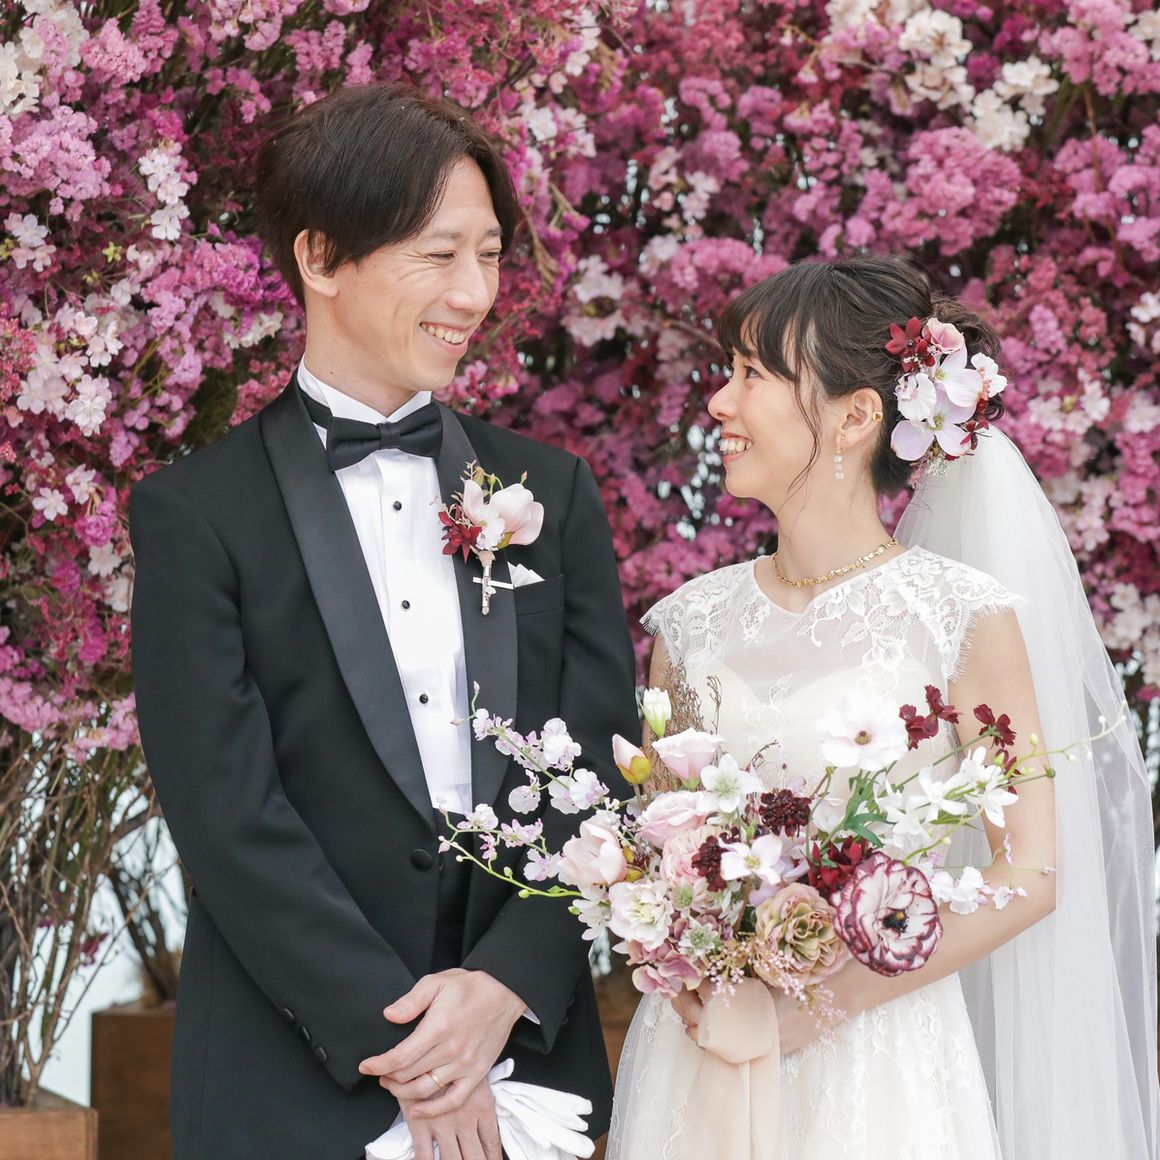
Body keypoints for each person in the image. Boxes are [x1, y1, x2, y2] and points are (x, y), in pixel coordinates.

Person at [130, 83, 638, 1160]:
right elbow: (226, 812)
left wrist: (504, 985)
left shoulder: (550, 493)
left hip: (526, 1065)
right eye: (438, 253)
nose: (473, 292)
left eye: (489, 255)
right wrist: (406, 1046)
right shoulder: (195, 514)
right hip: (292, 1068)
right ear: (321, 257)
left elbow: (601, 770)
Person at [607, 256, 1158, 1159]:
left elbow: (1032, 871)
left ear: (855, 415)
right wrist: (686, 955)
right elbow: (653, 850)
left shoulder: (959, 617)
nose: (719, 403)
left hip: (883, 1058)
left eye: (752, 375)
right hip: (703, 1050)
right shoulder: (688, 624)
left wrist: (820, 1005)